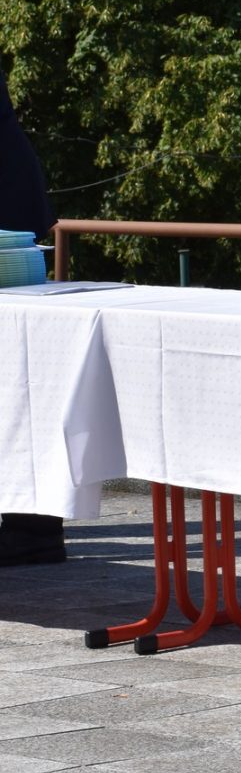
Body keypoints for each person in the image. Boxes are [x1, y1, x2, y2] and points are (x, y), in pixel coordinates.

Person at [0, 69, 66, 566]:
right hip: (15, 218)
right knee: (20, 380)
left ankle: (33, 528)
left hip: (10, 231)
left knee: (19, 381)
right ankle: (33, 527)